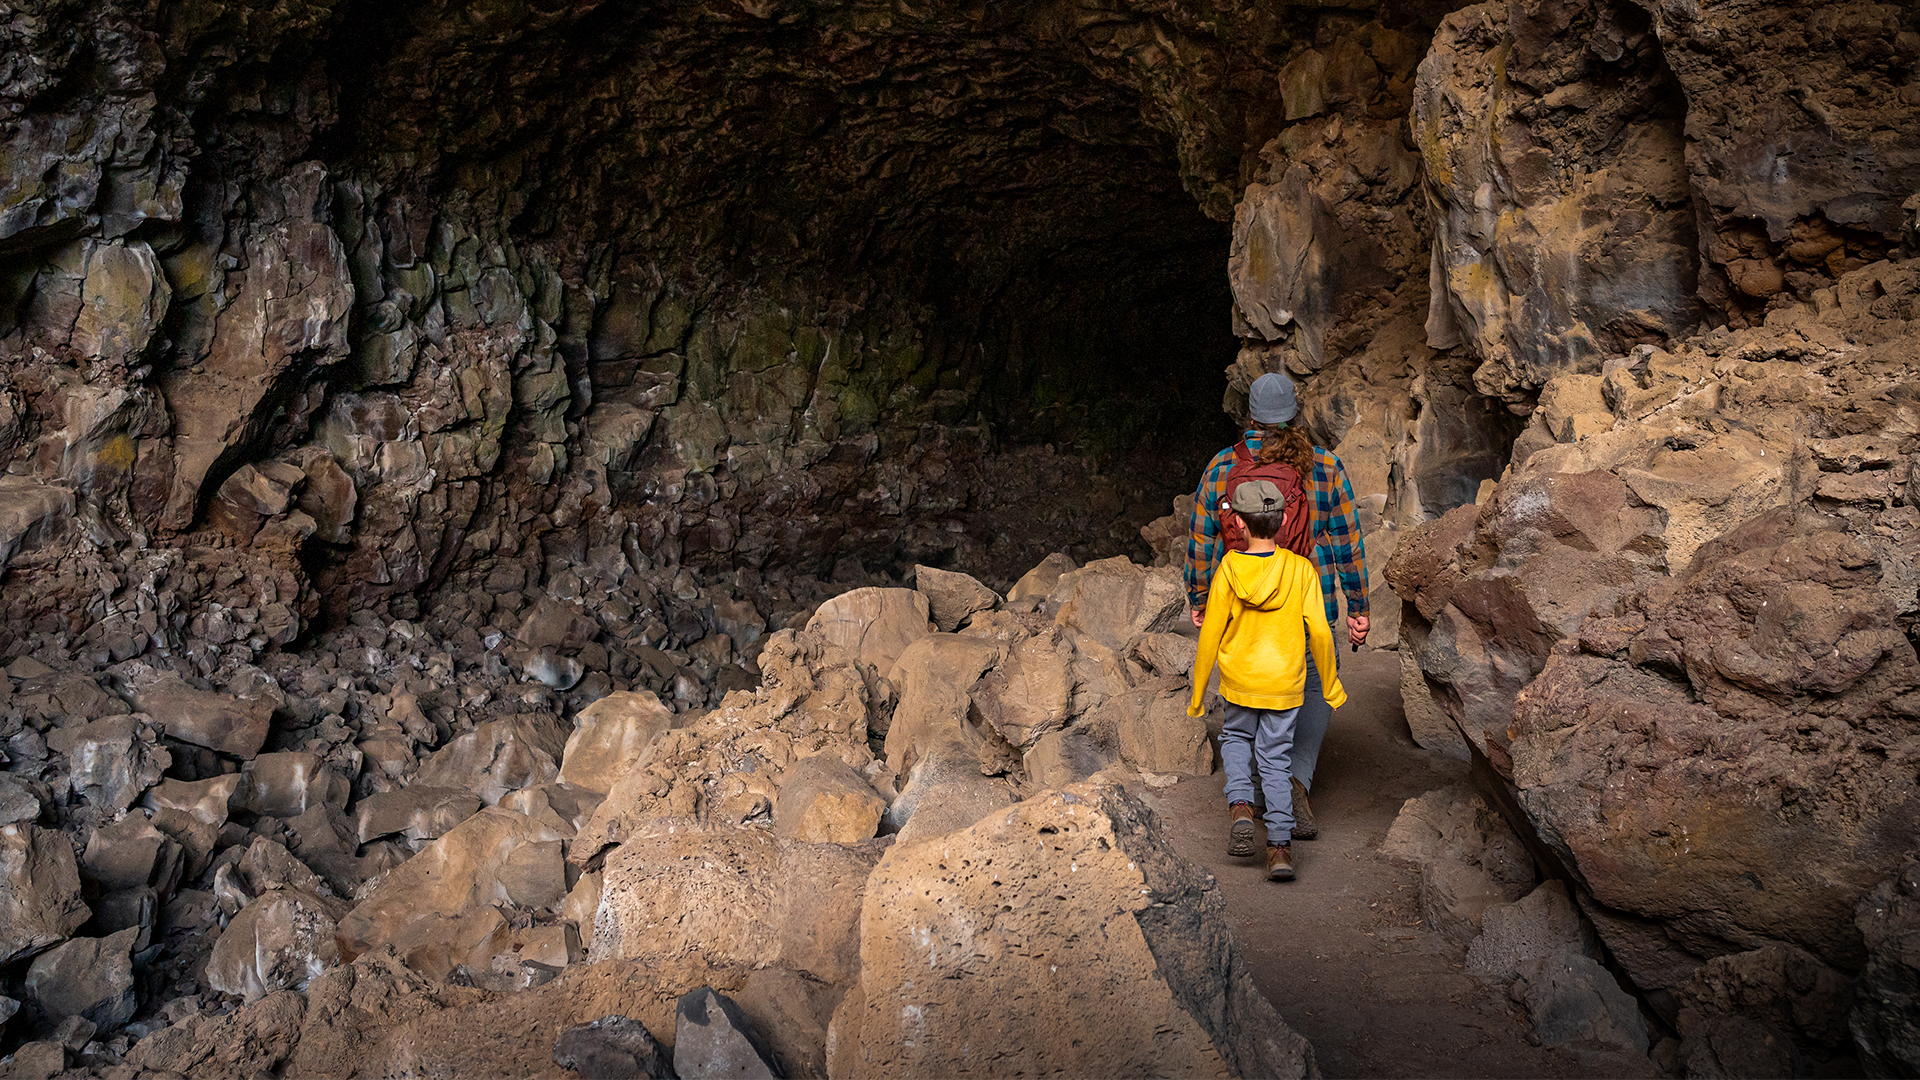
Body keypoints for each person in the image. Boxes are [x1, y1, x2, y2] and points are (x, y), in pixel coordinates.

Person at [1186, 371, 1368, 841]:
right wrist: (1358, 605)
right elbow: (1348, 539)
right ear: (1295, 415)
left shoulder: (1223, 467)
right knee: (1310, 687)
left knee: (1244, 695)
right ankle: (1292, 782)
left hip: (1242, 602)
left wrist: (1202, 599)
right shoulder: (1323, 466)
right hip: (1310, 594)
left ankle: (1246, 797)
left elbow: (1203, 538)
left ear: (1249, 414)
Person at [1187, 478, 1348, 881]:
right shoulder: (1300, 570)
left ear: (1239, 524)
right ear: (1285, 518)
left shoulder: (1229, 568)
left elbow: (1209, 635)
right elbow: (1322, 633)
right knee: (1276, 762)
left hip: (1241, 680)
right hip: (1285, 684)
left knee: (1237, 740)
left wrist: (1197, 693)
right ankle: (1279, 850)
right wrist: (1330, 685)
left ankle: (1241, 805)